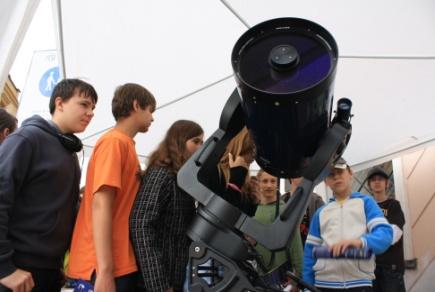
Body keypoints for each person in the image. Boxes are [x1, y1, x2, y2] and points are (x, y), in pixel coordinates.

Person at [0, 79, 98, 292]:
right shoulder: (27, 139)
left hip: (48, 271)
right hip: (15, 271)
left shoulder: (70, 153)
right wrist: (4, 268)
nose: (90, 113)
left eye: (93, 108)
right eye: (84, 104)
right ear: (60, 103)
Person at [67, 83, 156, 292]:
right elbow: (101, 204)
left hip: (116, 262)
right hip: (101, 267)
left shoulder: (124, 145)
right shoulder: (114, 143)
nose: (152, 118)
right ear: (136, 105)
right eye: (150, 110)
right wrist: (105, 270)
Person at [130, 120, 204, 292]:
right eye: (195, 141)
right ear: (179, 141)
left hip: (175, 278)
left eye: (202, 142)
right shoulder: (161, 174)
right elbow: (141, 225)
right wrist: (159, 285)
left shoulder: (181, 177)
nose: (200, 147)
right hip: (157, 282)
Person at [303, 158, 393, 291]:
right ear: (326, 181)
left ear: (350, 173)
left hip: (359, 284)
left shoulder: (366, 203)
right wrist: (307, 287)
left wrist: (360, 242)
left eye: (340, 171)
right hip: (323, 285)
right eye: (331, 174)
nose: (336, 177)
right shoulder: (320, 213)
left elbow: (385, 234)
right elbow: (309, 253)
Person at [254, 170, 303, 291]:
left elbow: (295, 247)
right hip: (256, 274)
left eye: (273, 181)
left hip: (281, 275)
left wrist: (295, 281)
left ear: (277, 184)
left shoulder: (285, 211)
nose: (269, 185)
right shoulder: (252, 211)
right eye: (265, 181)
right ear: (258, 183)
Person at [366, 166, 406, 292]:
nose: (377, 182)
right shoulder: (365, 208)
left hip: (391, 268)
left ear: (387, 183)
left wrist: (370, 240)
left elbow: (395, 233)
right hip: (371, 268)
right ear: (369, 185)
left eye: (380, 179)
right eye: (373, 180)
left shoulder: (394, 205)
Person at [206, 127, 258, 216]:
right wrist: (236, 180)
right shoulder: (216, 172)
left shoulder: (245, 177)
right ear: (243, 146)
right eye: (252, 148)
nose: (255, 154)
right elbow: (221, 214)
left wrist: (254, 199)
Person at [283, 177, 325, 244]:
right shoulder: (282, 201)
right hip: (287, 250)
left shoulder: (316, 201)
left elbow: (325, 229)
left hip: (309, 250)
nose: (300, 175)